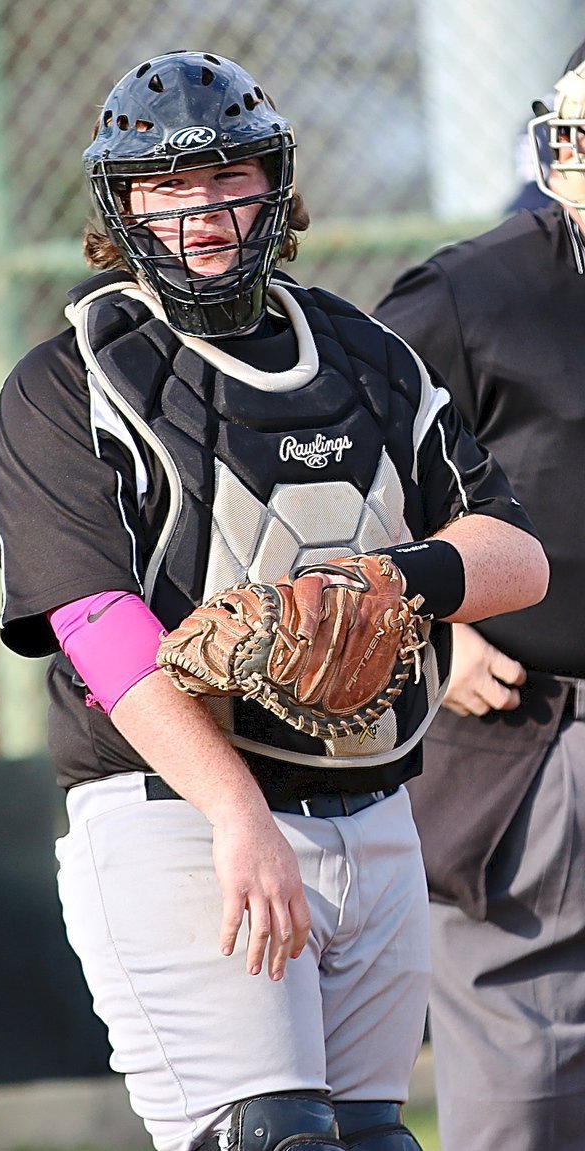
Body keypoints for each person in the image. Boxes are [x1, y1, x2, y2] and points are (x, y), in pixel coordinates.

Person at [0, 51, 548, 1151]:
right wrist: (238, 815)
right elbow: (101, 631)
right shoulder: (70, 378)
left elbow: (514, 554)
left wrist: (391, 578)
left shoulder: (363, 353)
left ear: (274, 186)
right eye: (165, 184)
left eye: (227, 175)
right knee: (268, 1135)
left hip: (373, 808)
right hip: (176, 814)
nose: (200, 208)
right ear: (121, 205)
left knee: (375, 1137)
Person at [373, 44, 585, 1151]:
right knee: (525, 1100)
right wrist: (428, 635)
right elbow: (333, 485)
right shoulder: (472, 293)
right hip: (531, 741)